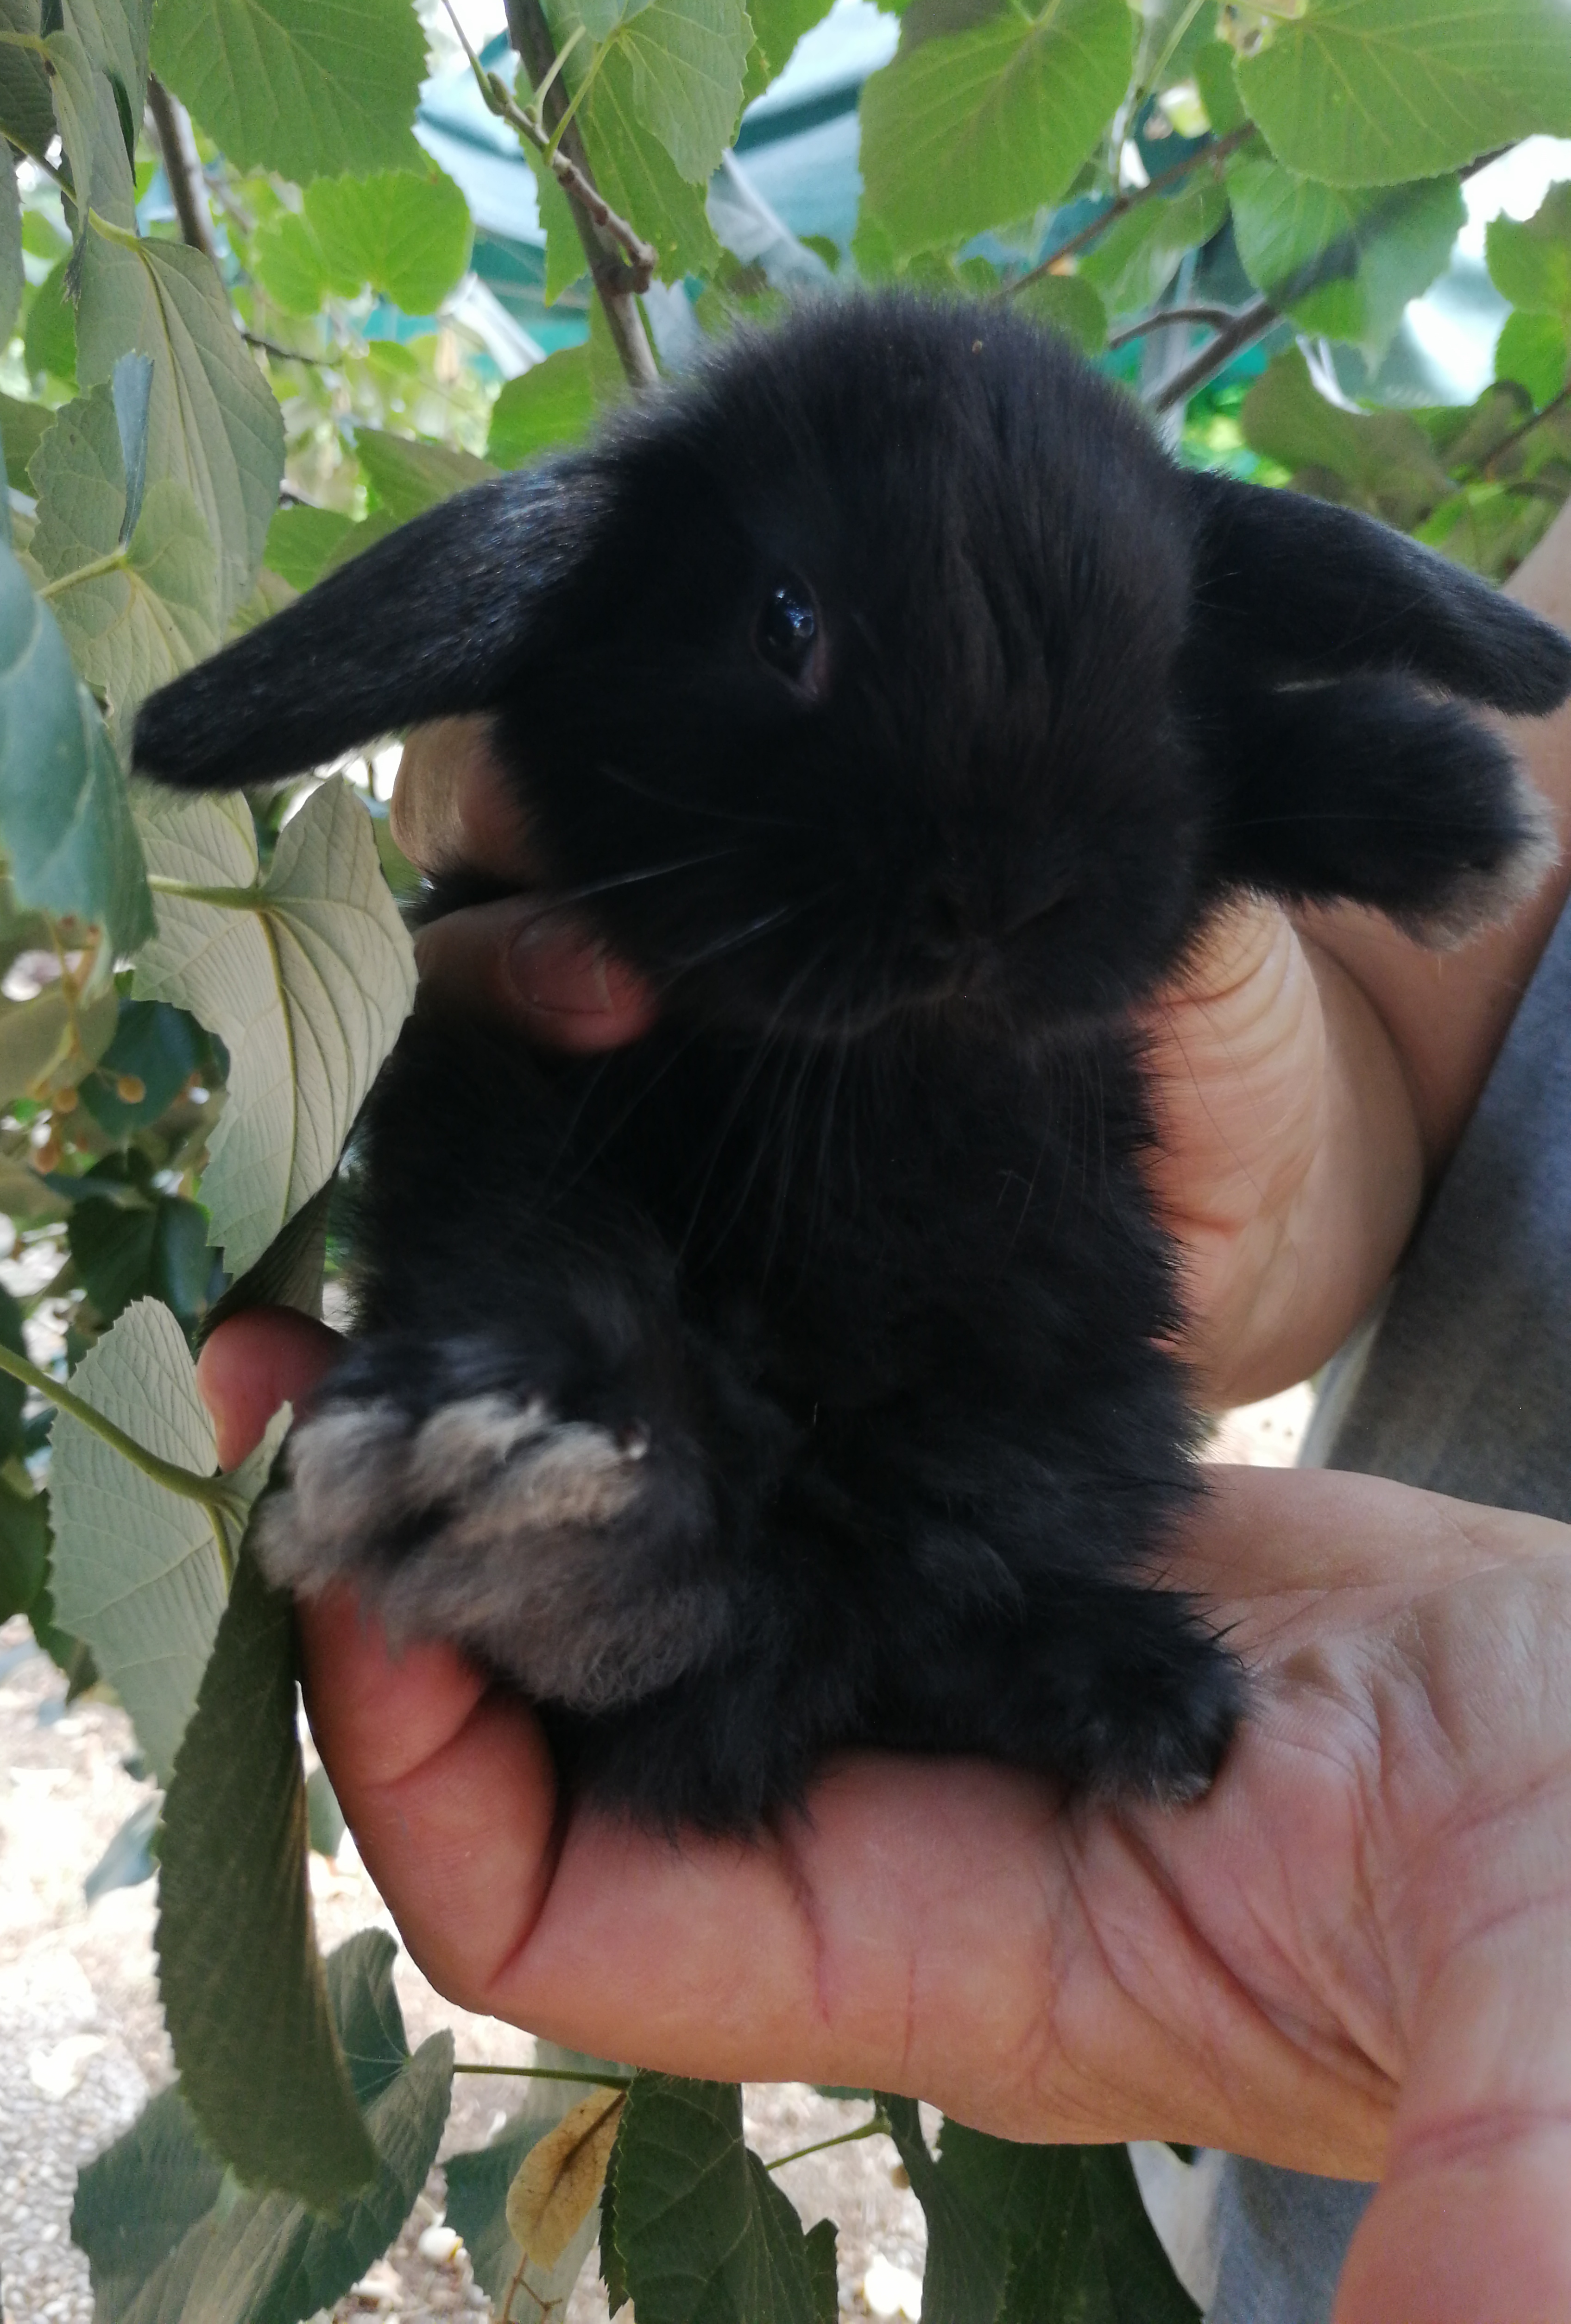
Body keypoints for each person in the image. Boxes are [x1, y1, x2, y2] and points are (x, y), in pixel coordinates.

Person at [199, 493, 1571, 2324]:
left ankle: (666, 1541)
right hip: (1257, 1998)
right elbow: (1389, 1052)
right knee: (566, 1213)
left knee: (980, 1501)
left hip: (1207, 1851)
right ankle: (596, 1495)